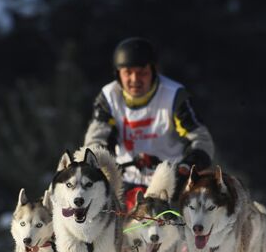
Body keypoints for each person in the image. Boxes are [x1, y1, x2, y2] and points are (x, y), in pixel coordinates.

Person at [83, 37, 215, 207]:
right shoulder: (109, 98)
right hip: (125, 181)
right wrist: (100, 166)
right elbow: (95, 141)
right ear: (118, 74)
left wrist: (188, 166)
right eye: (128, 72)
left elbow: (201, 140)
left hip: (171, 181)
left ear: (153, 71)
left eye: (142, 72)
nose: (135, 79)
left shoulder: (173, 95)